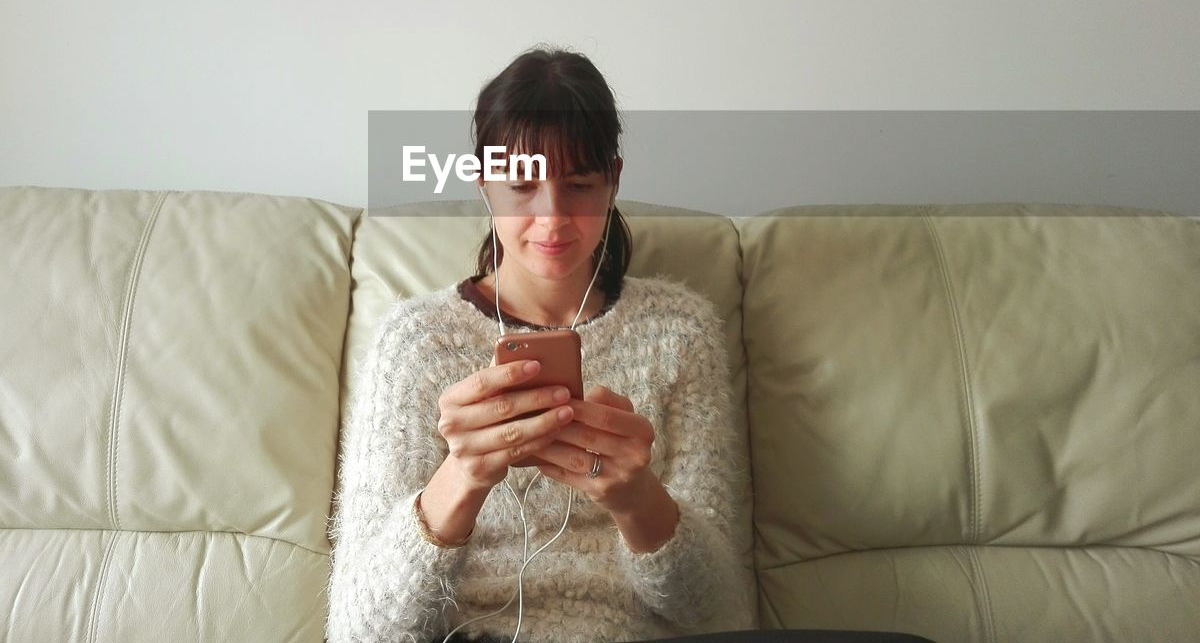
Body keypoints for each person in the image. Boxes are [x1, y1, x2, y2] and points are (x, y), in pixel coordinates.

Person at [325, 47, 936, 643]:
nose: (553, 219)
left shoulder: (679, 330)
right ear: (483, 182)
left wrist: (635, 498)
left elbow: (718, 610)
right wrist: (462, 476)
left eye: (580, 185)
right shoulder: (417, 342)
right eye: (522, 187)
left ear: (613, 181)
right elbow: (360, 629)